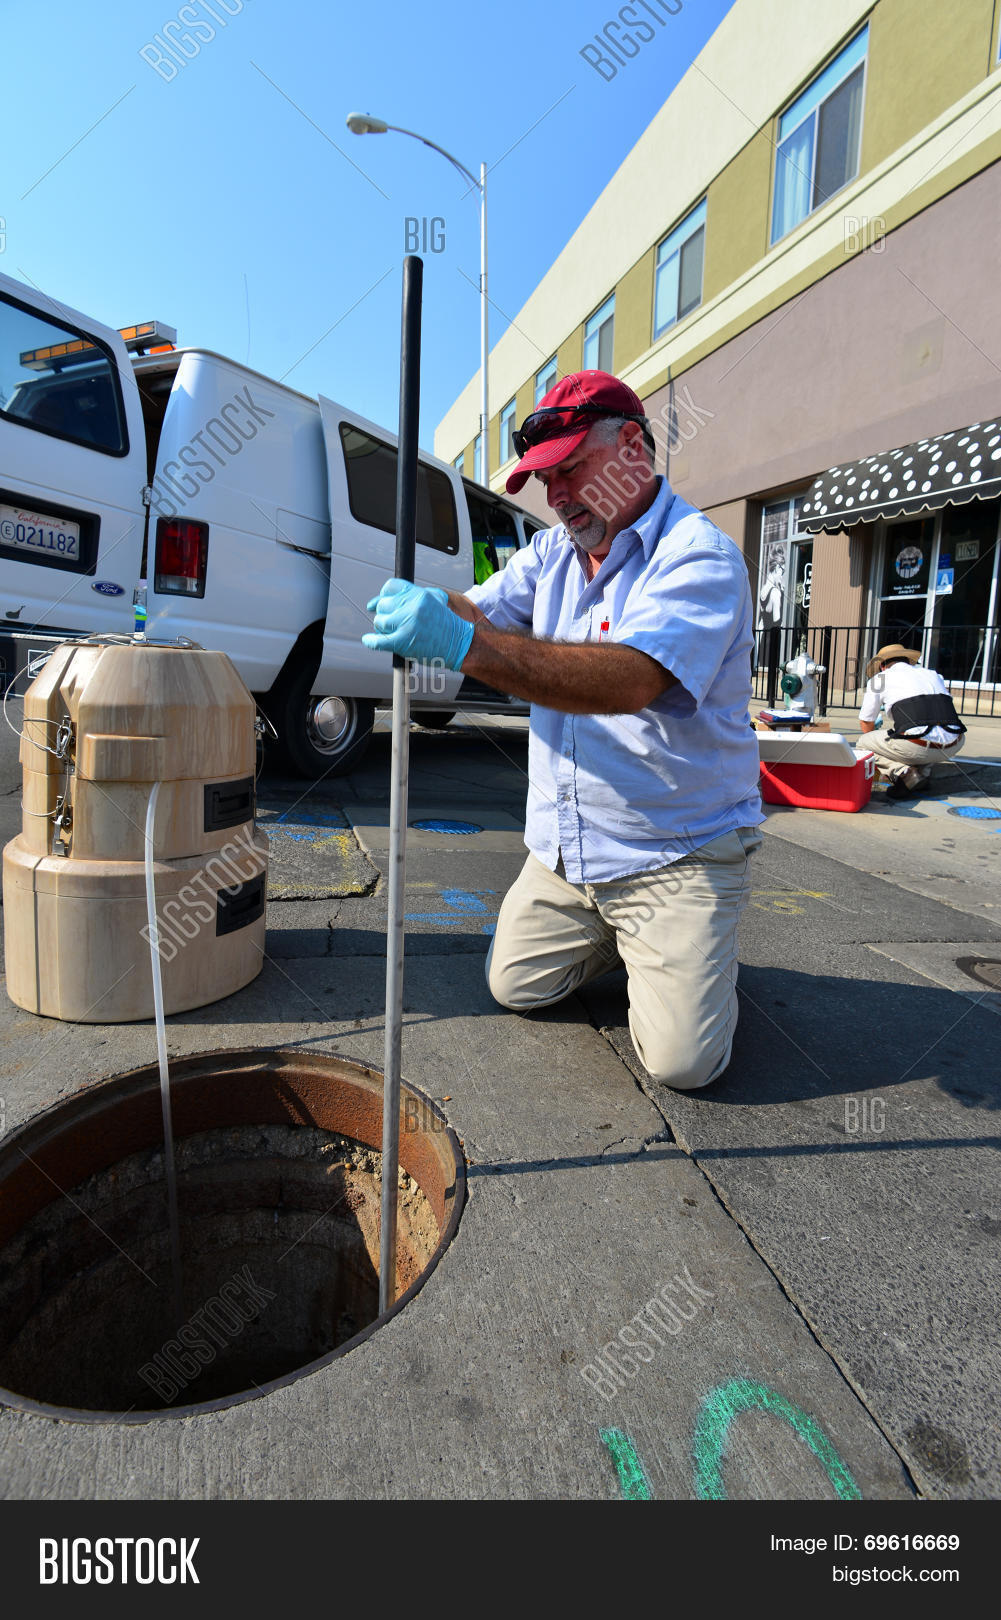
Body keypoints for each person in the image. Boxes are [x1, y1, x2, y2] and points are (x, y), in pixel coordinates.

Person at [362, 370, 763, 1093]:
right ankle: (633, 946)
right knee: (516, 987)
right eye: (544, 482)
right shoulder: (552, 553)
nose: (557, 499)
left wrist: (462, 647)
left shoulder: (697, 555)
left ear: (633, 447)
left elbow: (632, 679)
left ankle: (686, 945)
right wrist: (436, 602)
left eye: (570, 470)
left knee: (683, 1065)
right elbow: (480, 609)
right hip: (568, 856)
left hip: (674, 852)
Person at [857, 643, 966, 800]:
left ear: (882, 666)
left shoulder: (879, 679)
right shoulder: (933, 674)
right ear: (908, 660)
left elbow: (866, 723)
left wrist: (883, 752)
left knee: (863, 743)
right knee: (924, 730)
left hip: (919, 746)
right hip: (954, 743)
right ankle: (923, 775)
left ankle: (904, 772)